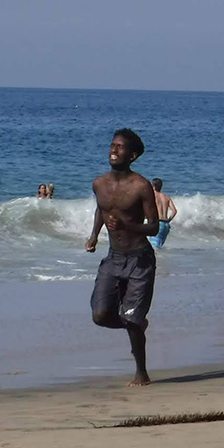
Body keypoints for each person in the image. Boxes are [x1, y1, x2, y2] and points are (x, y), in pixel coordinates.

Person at [86, 128, 159, 387]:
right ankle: (136, 323)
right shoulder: (99, 184)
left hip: (139, 260)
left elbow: (154, 227)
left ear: (133, 155)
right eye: (112, 145)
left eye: (120, 147)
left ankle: (142, 373)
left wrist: (127, 225)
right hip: (114, 258)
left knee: (131, 318)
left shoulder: (141, 186)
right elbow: (101, 210)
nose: (114, 150)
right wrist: (94, 235)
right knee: (100, 315)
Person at [149, 178, 178, 248]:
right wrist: (168, 220)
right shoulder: (166, 197)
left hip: (157, 224)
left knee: (155, 249)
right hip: (165, 225)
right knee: (159, 246)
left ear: (153, 186)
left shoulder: (152, 196)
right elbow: (174, 211)